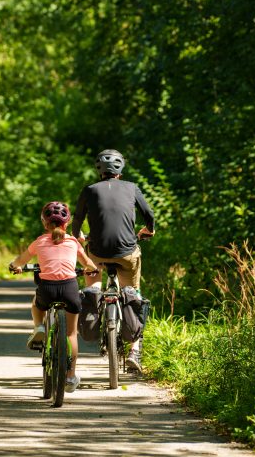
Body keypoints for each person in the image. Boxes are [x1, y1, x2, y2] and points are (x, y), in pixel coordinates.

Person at [71, 149, 155, 372]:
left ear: (98, 169)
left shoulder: (89, 190)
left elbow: (77, 218)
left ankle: (94, 298)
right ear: (121, 169)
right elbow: (149, 214)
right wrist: (149, 230)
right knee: (133, 293)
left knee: (93, 284)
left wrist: (78, 235)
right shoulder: (131, 187)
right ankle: (135, 350)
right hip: (127, 253)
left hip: (97, 253)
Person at [8, 201, 99, 393]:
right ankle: (70, 376)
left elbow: (20, 261)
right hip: (69, 288)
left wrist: (14, 266)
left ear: (44, 223)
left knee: (36, 304)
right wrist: (91, 269)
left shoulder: (39, 241)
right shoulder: (73, 242)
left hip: (47, 289)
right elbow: (88, 263)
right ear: (67, 224)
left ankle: (39, 326)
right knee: (71, 334)